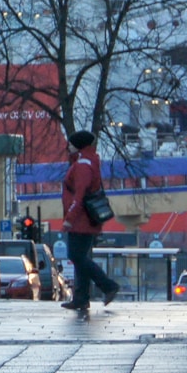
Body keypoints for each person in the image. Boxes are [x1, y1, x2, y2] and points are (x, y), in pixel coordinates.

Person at [60, 129, 121, 311]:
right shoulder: (86, 161)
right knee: (80, 259)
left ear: (78, 146)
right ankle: (81, 298)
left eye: (71, 144)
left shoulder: (82, 165)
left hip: (80, 219)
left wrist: (69, 219)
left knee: (76, 256)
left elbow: (79, 195)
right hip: (85, 218)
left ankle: (108, 285)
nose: (68, 147)